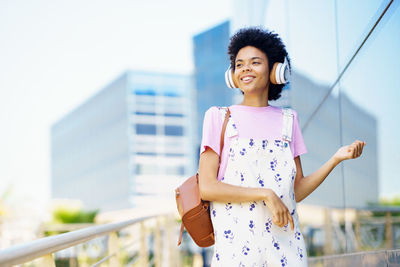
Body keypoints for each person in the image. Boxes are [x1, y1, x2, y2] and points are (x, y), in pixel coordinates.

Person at [198, 27, 366, 266]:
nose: (245, 68)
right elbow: (207, 187)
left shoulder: (289, 120)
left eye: (255, 62)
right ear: (232, 74)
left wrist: (335, 159)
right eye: (239, 64)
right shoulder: (218, 117)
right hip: (236, 253)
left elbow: (295, 190)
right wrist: (265, 194)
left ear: (276, 70)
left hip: (286, 248)